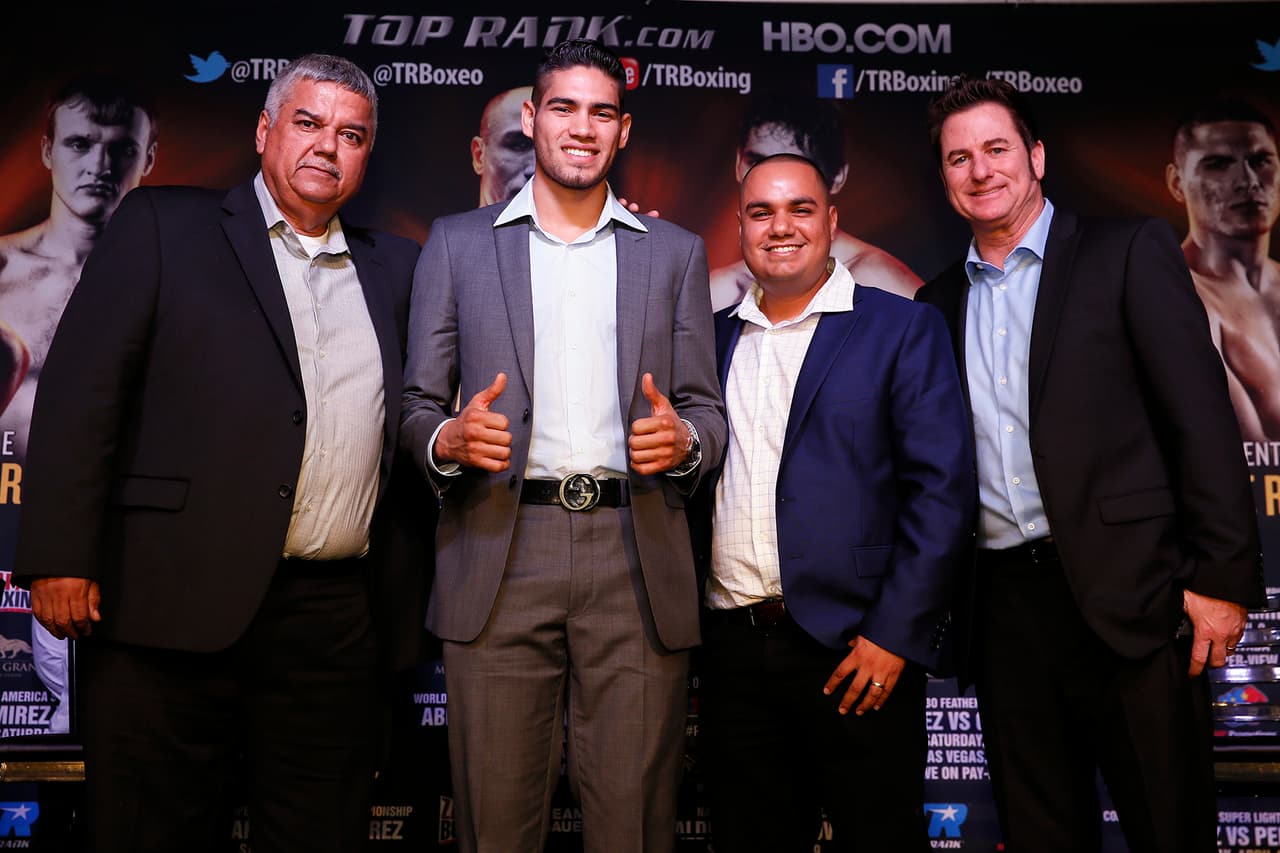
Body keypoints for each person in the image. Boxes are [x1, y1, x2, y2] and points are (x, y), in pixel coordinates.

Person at [13, 54, 425, 853]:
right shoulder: (166, 225)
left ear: (367, 155)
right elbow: (82, 389)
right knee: (150, 830)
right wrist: (61, 553)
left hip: (333, 619)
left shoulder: (399, 268)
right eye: (306, 123)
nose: (326, 147)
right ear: (265, 130)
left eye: (351, 134)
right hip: (168, 598)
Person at [916, 75, 1265, 853]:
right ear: (944, 179)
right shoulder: (934, 306)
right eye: (960, 158)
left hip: (1136, 599)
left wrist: (1220, 581)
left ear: (1036, 156)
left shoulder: (1125, 251)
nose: (981, 170)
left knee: (1169, 827)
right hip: (1003, 610)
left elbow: (1200, 420)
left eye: (997, 149)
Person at [400, 38, 725, 853]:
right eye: (565, 107)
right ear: (532, 117)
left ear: (624, 131)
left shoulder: (676, 253)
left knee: (634, 830)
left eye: (603, 112)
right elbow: (413, 406)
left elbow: (706, 414)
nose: (583, 128)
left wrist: (682, 440)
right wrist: (448, 436)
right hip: (499, 550)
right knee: (495, 827)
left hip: (636, 552)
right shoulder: (457, 242)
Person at [693, 153, 973, 853]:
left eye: (800, 209)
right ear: (739, 226)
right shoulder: (708, 337)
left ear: (833, 221)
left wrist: (893, 637)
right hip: (732, 654)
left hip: (857, 653)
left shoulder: (900, 327)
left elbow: (941, 493)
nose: (780, 227)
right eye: (761, 212)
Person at [0, 73, 158, 462]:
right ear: (48, 150)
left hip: (107, 510)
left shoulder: (171, 280)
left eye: (122, 149)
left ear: (148, 158)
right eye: (79, 144)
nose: (100, 165)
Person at [708, 92, 922, 312]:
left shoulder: (880, 284)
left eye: (795, 167)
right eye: (757, 163)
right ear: (737, 164)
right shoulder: (718, 293)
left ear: (837, 176)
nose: (773, 181)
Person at [1165, 98, 1280, 441]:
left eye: (1261, 161)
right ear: (1176, 183)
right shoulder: (1176, 293)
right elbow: (1240, 450)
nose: (1247, 181)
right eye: (1218, 164)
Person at [472, 85, 536, 207]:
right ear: (479, 155)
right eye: (519, 145)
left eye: (548, 149)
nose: (534, 169)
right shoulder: (447, 226)